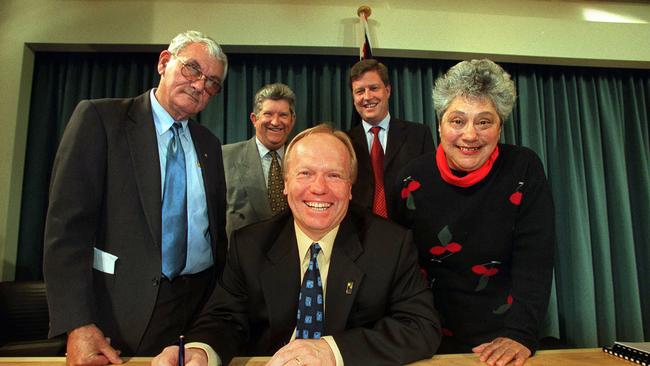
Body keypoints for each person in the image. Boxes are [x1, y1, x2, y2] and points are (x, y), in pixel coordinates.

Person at [152, 124, 441, 366]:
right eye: (305, 173)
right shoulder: (250, 244)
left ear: (351, 188)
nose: (319, 188)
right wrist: (201, 350)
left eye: (334, 175)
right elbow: (224, 318)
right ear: (285, 183)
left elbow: (420, 326)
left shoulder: (390, 244)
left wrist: (331, 350)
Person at [43, 30, 229, 364]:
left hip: (197, 312)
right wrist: (77, 323)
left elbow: (215, 235)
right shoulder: (101, 120)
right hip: (119, 315)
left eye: (212, 82)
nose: (200, 85)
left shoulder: (210, 145)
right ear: (163, 62)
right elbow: (66, 232)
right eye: (192, 70)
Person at [392, 59, 555, 366]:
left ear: (500, 126)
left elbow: (535, 260)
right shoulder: (410, 178)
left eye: (484, 121)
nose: (470, 135)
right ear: (439, 123)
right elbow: (399, 270)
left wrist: (520, 334)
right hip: (426, 337)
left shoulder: (524, 168)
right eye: (457, 121)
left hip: (503, 337)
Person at [347, 59, 435, 219]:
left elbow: (431, 188)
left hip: (407, 232)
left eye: (374, 88)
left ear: (387, 90)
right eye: (359, 91)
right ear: (353, 98)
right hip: (357, 234)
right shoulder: (344, 142)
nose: (367, 97)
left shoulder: (419, 134)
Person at [222, 83, 296, 238]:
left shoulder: (304, 160)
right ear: (254, 119)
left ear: (292, 120)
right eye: (268, 114)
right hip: (242, 259)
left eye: (283, 115)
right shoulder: (224, 157)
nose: (275, 122)